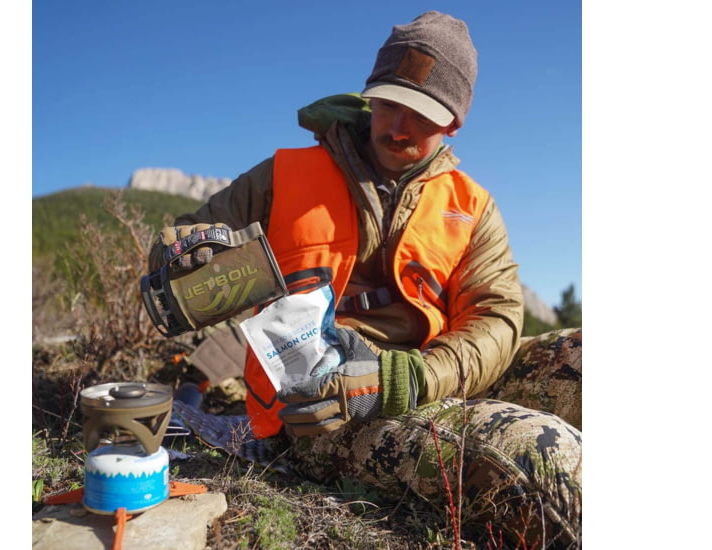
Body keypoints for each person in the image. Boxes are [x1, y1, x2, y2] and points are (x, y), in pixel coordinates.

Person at [151, 11, 581, 548]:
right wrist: (187, 254)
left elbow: (496, 318)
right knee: (547, 459)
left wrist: (415, 377)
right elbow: (188, 240)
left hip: (429, 374)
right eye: (389, 102)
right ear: (369, 94)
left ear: (453, 122)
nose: (398, 126)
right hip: (324, 401)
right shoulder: (282, 175)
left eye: (421, 115)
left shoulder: (472, 206)